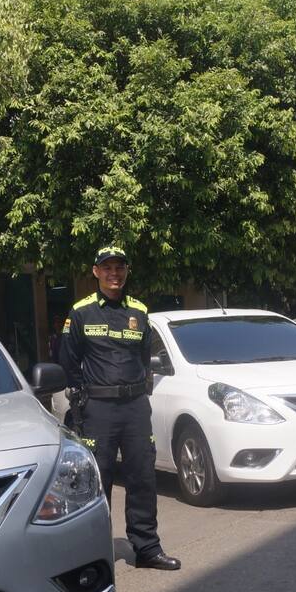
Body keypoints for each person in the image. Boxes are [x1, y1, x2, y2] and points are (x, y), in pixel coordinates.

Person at [59, 245, 181, 571]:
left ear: (126, 271)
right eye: (107, 268)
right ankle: (93, 554)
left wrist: (140, 389)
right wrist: (82, 398)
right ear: (96, 271)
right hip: (98, 408)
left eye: (119, 268)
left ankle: (147, 549)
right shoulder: (81, 312)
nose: (114, 274)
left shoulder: (139, 311)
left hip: (135, 407)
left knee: (143, 477)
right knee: (98, 481)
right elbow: (68, 360)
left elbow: (144, 359)